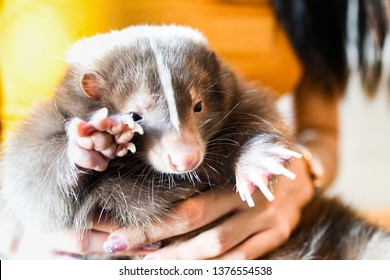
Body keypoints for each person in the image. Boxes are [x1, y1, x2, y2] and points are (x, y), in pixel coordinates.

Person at [0, 0, 345, 259]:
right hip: (47, 239)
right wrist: (40, 187)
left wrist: (299, 170)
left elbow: (321, 132)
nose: (185, 155)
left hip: (255, 239)